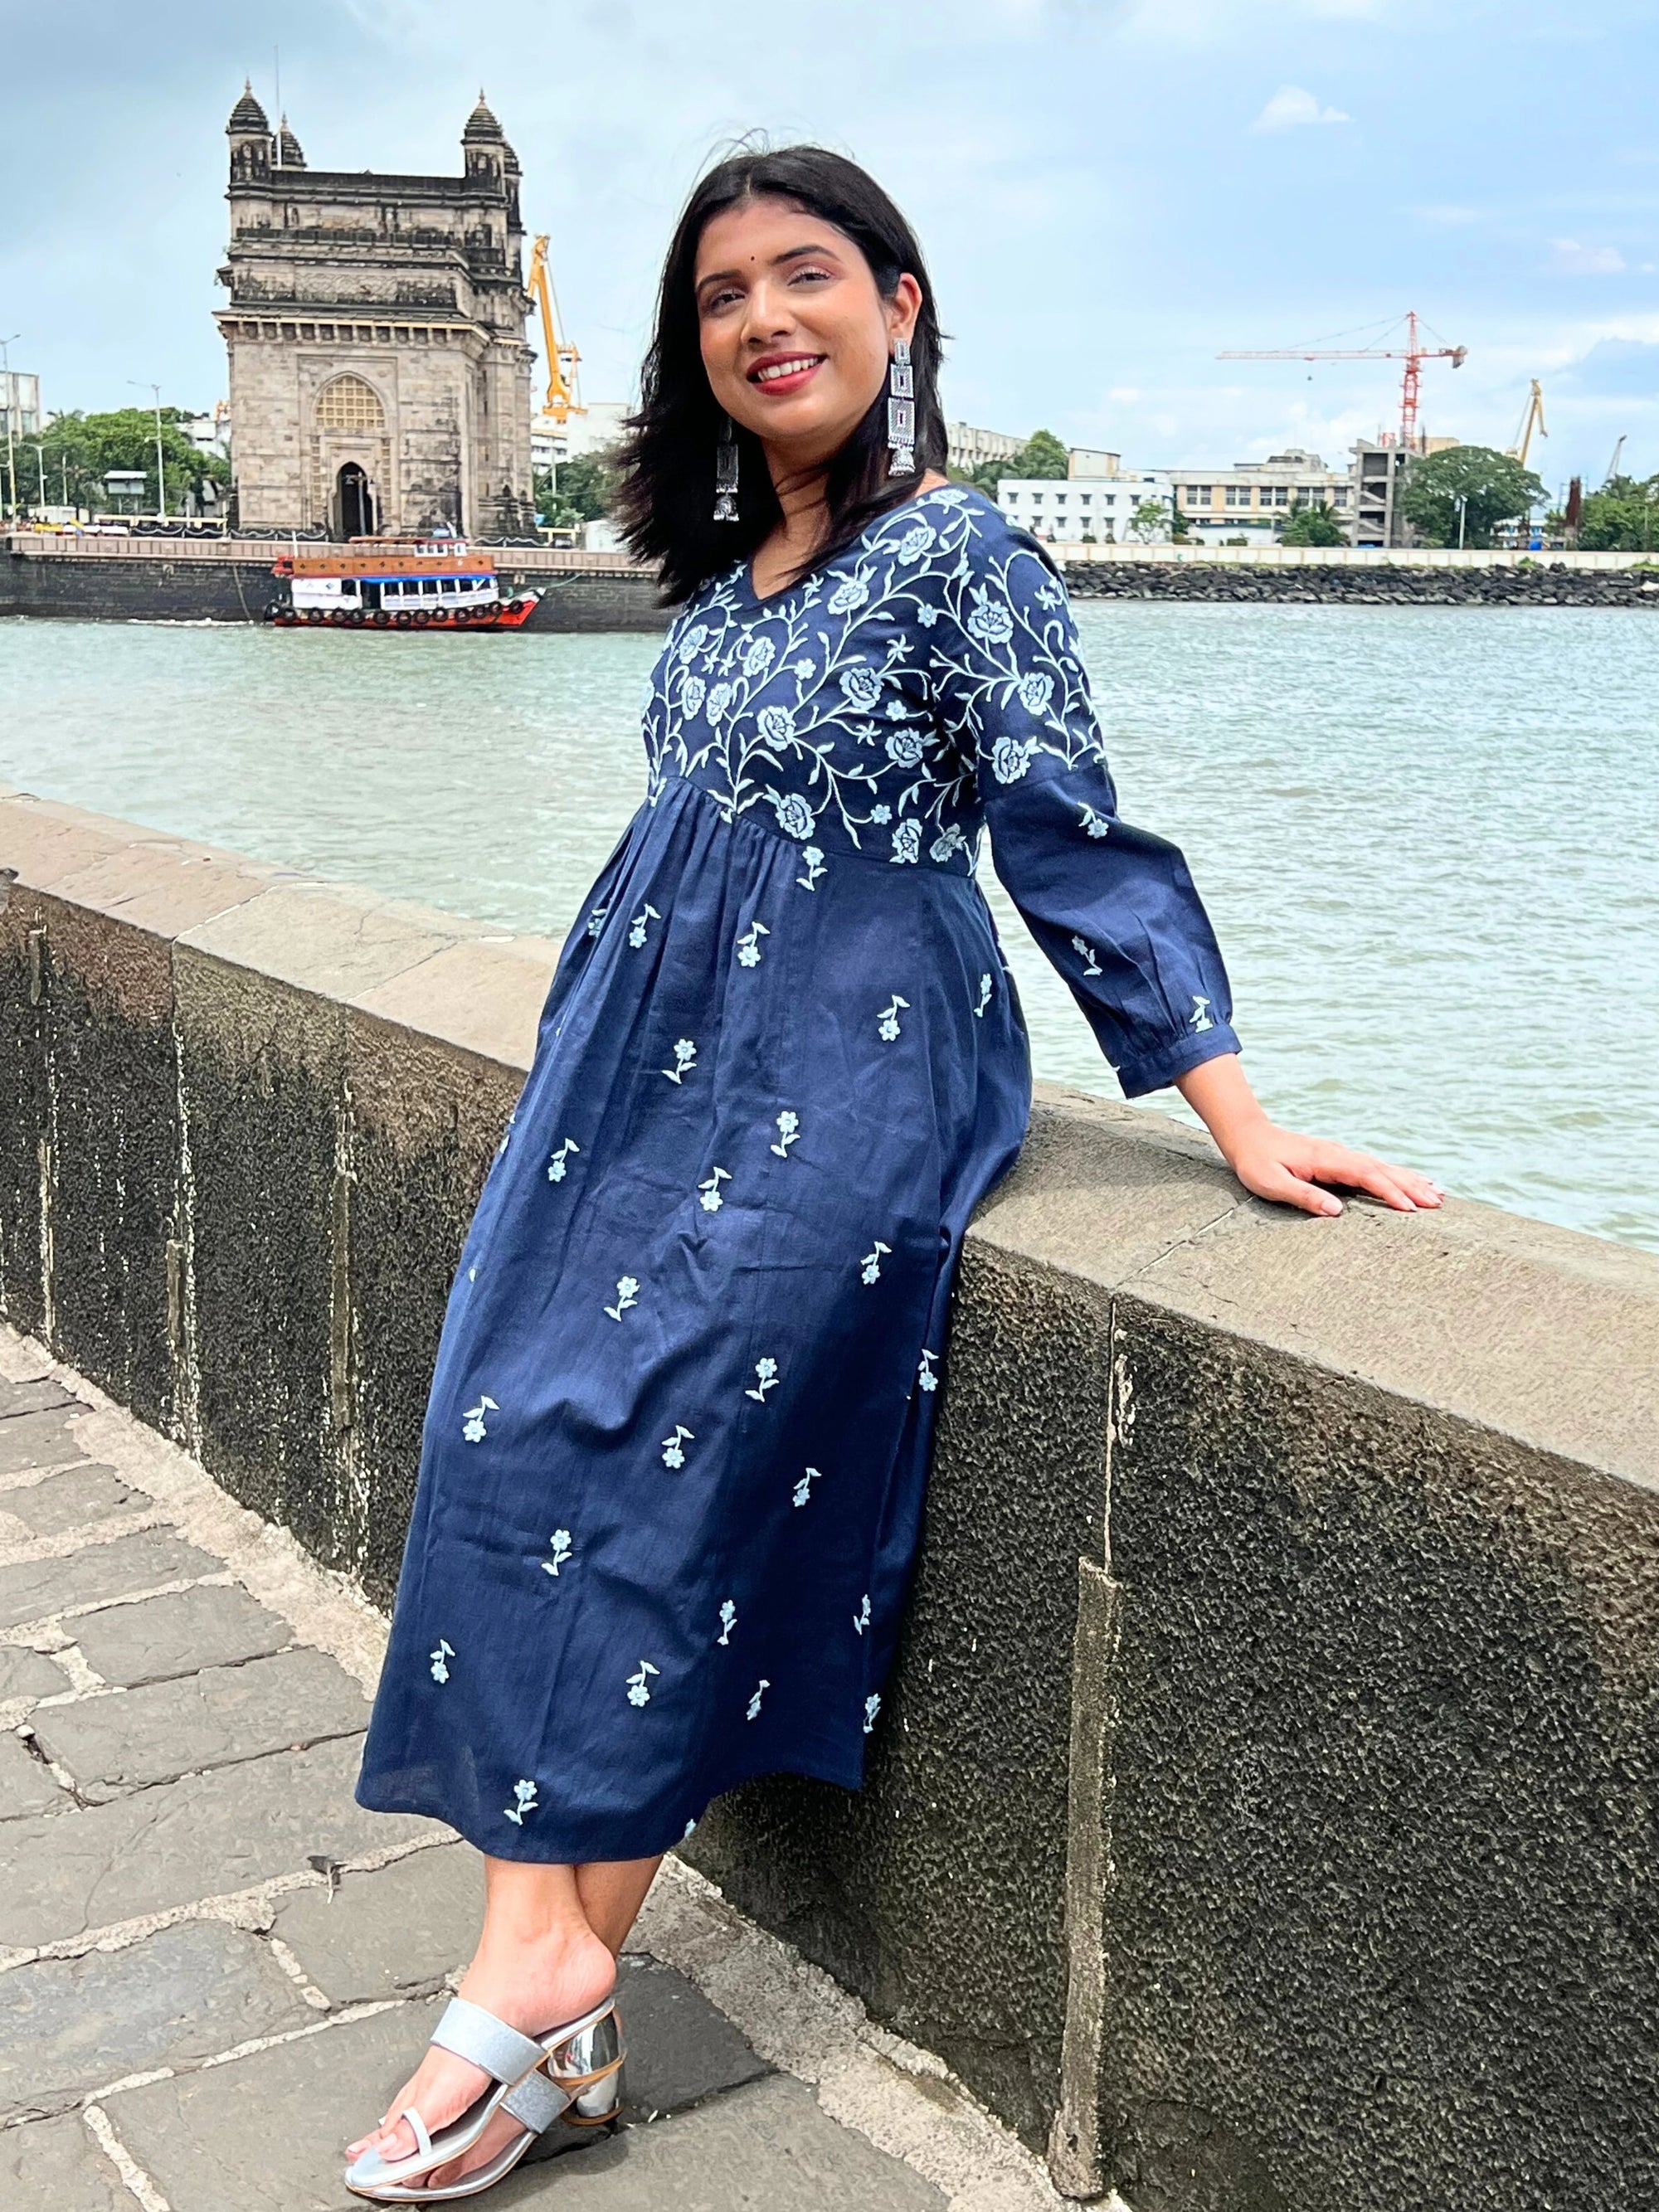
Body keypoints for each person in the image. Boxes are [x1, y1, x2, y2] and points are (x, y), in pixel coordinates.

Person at [344, 144, 1443, 2200]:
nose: (766, 317)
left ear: (900, 305)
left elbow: (1067, 833)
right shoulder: (719, 574)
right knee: (504, 1432)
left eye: (808, 274)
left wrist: (1228, 1104)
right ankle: (551, 1971)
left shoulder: (968, 560)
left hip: (851, 1057)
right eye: (723, 293)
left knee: (665, 1443)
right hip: (631, 1070)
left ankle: (526, 1989)